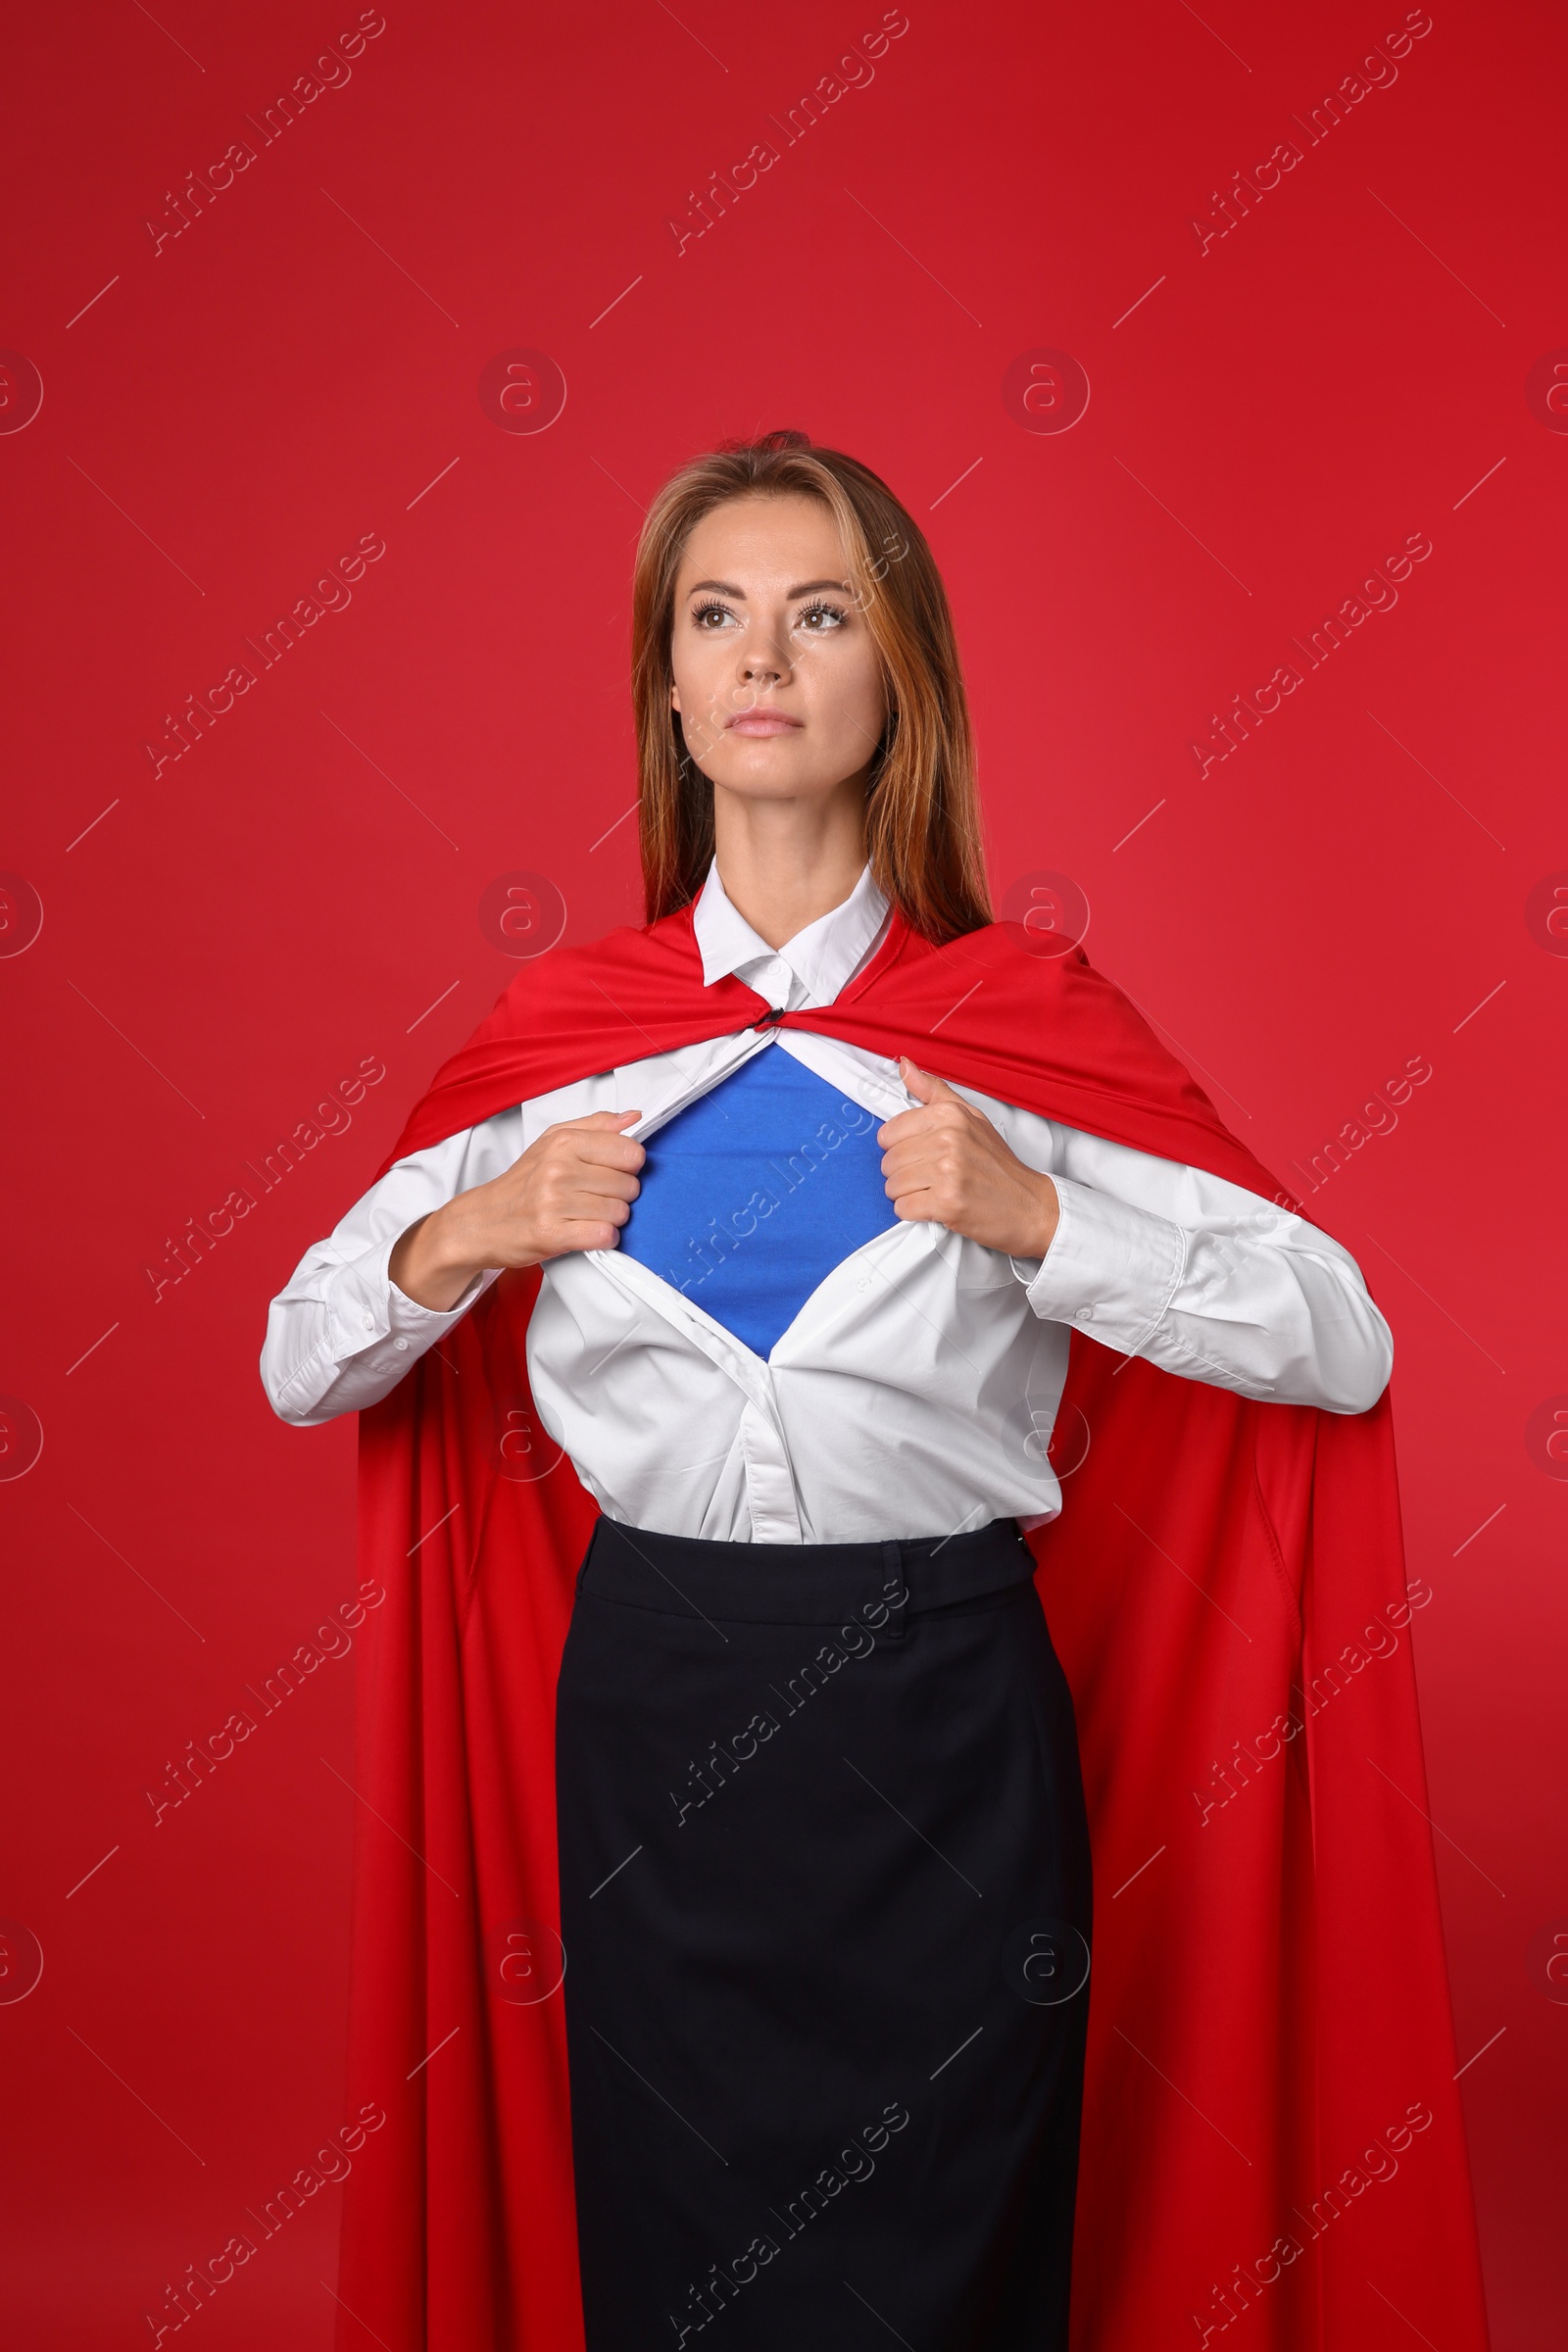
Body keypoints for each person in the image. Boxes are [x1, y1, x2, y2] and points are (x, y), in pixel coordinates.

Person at [262, 433, 1491, 2352]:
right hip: (657, 1708)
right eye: (716, 616)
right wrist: (477, 1228)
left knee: (947, 2263)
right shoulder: (558, 1056)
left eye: (817, 613)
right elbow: (294, 1358)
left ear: (892, 672)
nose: (763, 658)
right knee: (679, 2266)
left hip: (941, 1721)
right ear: (667, 688)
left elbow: (1339, 1341)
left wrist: (1041, 1219)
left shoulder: (1018, 1031)